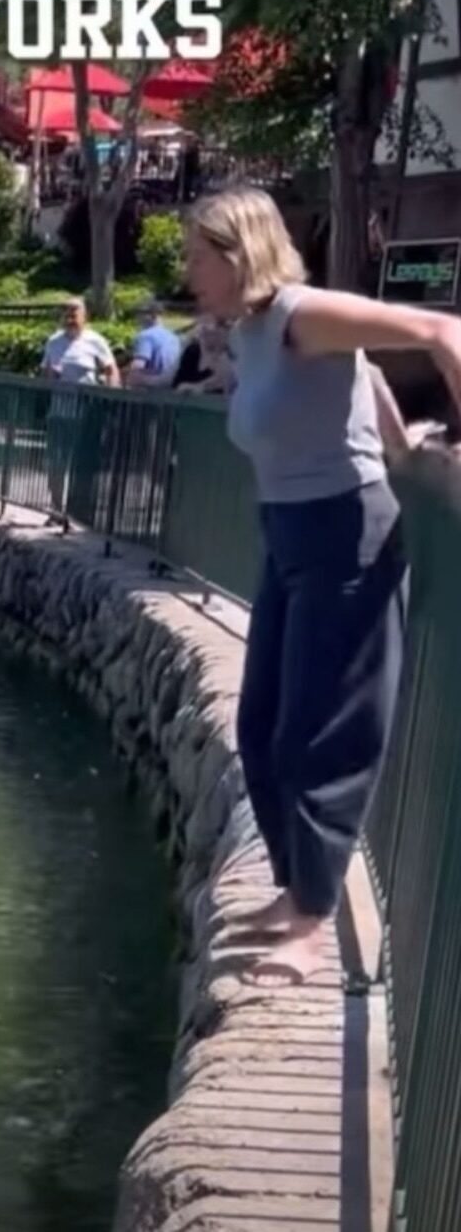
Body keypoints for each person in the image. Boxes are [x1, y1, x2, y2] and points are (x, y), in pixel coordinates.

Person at [185, 186, 461, 987]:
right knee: (263, 724)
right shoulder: (253, 332)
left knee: (321, 730)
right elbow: (363, 376)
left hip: (347, 533)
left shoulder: (303, 313)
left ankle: (311, 923)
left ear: (238, 253)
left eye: (197, 255)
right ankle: (294, 887)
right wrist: (401, 444)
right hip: (288, 533)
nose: (188, 270)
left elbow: (440, 328)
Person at [40, 299, 119, 522]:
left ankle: (79, 512)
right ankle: (57, 509)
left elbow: (111, 369)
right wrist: (51, 375)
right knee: (56, 461)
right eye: (67, 315)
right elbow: (45, 374)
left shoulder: (96, 341)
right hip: (60, 410)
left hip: (87, 412)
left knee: (82, 463)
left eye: (75, 315)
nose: (71, 319)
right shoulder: (53, 342)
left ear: (85, 316)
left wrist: (112, 398)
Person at [173, 315, 236, 395]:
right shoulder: (192, 351)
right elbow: (173, 380)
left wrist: (199, 386)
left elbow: (226, 379)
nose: (206, 329)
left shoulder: (233, 355)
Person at [126, 300, 182, 388]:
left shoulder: (145, 336)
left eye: (140, 313)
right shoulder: (174, 337)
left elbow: (138, 367)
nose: (137, 317)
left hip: (150, 391)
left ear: (153, 315)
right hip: (172, 388)